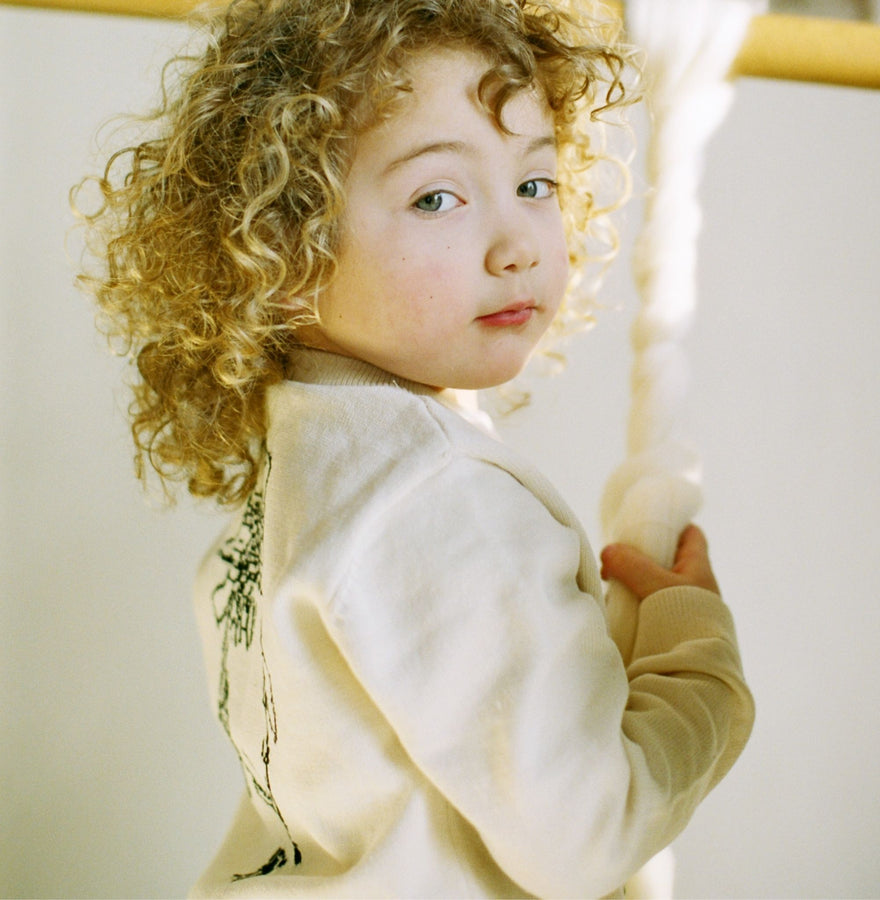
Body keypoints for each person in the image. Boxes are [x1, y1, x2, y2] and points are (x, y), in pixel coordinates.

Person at [75, 0, 754, 896]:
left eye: (535, 184)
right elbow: (588, 835)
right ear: (280, 251)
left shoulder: (279, 516)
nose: (516, 244)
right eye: (437, 196)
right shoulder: (439, 499)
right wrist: (695, 664)